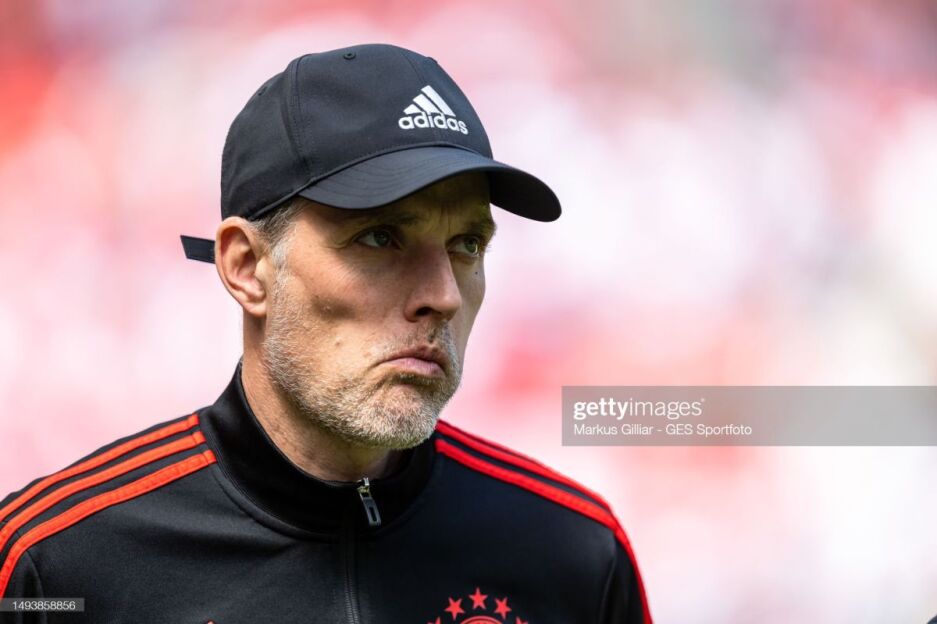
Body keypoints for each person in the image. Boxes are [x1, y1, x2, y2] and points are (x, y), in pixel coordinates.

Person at [0, 43, 652, 623]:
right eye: (380, 237)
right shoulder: (55, 567)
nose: (443, 296)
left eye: (467, 244)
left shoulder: (573, 552)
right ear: (247, 267)